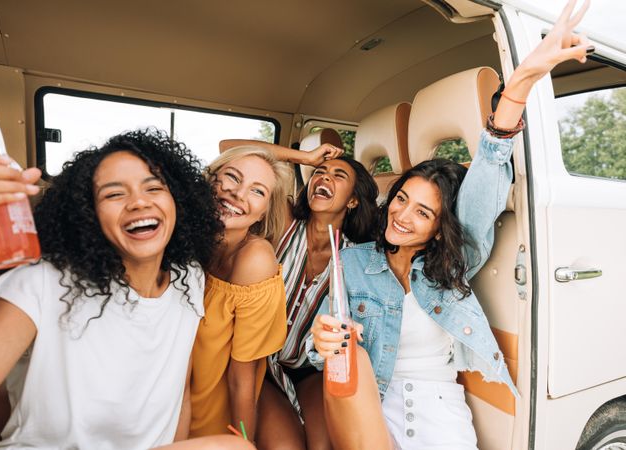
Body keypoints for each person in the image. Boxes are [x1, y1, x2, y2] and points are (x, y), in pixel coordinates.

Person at [310, 1, 593, 449]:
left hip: (439, 408)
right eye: (401, 199)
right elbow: (323, 348)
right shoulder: (352, 261)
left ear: (441, 228)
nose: (402, 216)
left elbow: (491, 164)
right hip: (368, 404)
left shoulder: (456, 262)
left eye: (423, 213)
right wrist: (321, 339)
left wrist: (521, 81)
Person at [0, 129, 254, 449]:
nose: (139, 202)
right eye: (114, 194)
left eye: (154, 188)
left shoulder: (190, 279)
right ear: (89, 214)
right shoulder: (45, 280)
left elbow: (178, 395)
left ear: (178, 202)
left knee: (237, 447)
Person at [220, 139, 380, 450]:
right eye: (319, 172)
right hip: (261, 364)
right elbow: (232, 149)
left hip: (309, 370)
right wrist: (304, 157)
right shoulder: (284, 223)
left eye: (338, 175)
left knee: (323, 447)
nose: (324, 177)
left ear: (352, 201)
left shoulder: (358, 258)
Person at [188, 145, 290, 441]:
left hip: (208, 416)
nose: (238, 194)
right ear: (211, 180)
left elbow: (242, 378)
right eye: (233, 177)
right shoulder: (183, 238)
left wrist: (242, 441)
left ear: (263, 214)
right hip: (160, 399)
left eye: (257, 191)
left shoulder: (254, 260)